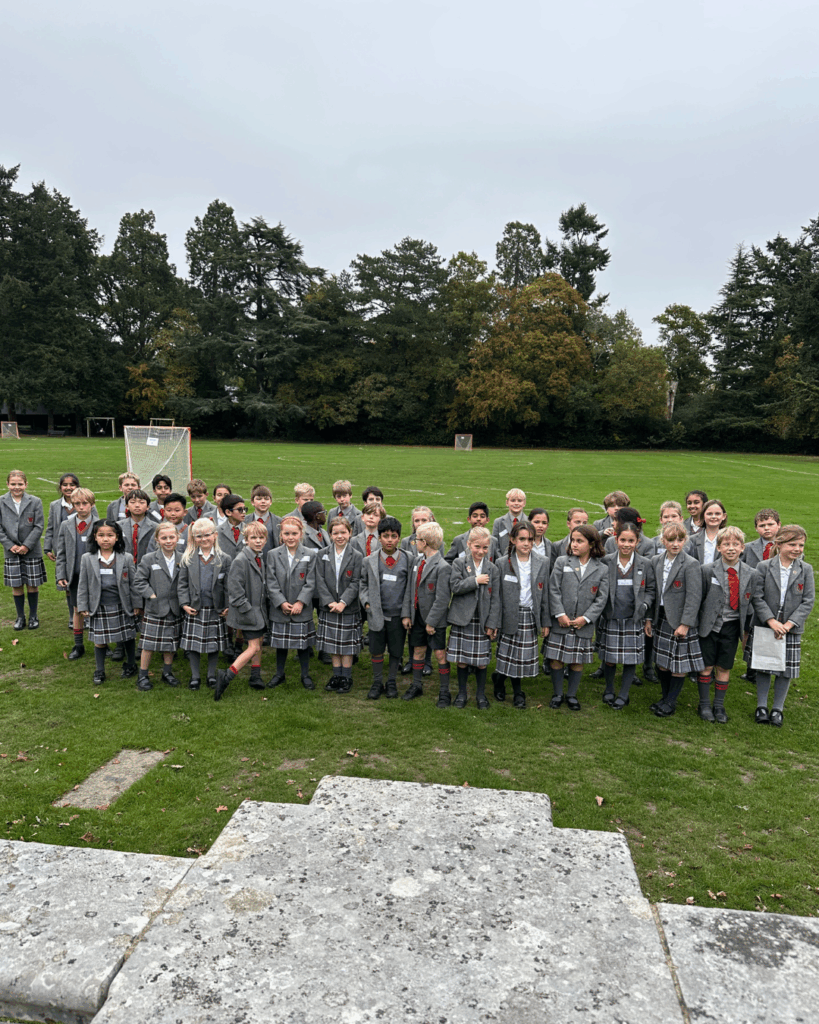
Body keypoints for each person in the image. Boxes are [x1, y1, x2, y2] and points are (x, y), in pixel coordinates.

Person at [748, 524, 815, 727]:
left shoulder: (806, 569)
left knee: (786, 670)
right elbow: (757, 597)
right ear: (779, 544)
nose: (797, 549)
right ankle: (761, 706)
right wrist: (771, 621)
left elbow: (808, 601)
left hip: (790, 629)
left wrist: (788, 625)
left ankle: (777, 708)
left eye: (801, 545)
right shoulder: (764, 567)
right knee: (764, 666)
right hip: (766, 625)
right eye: (792, 544)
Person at [696, 526, 763, 724]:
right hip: (709, 626)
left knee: (724, 667)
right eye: (726, 544)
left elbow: (753, 602)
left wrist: (752, 628)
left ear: (742, 548)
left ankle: (719, 705)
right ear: (718, 547)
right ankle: (704, 704)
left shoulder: (751, 573)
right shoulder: (707, 570)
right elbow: (699, 599)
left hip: (732, 627)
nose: (731, 548)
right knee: (706, 666)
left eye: (735, 544)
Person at [546, 524, 609, 711]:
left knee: (577, 661)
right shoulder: (562, 562)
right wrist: (560, 614)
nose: (574, 544)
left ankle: (572, 695)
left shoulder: (601, 569)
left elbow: (601, 598)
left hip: (583, 625)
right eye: (573, 540)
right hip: (561, 622)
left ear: (592, 544)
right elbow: (553, 589)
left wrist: (587, 618)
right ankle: (558, 694)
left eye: (579, 541)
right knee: (556, 659)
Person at [646, 522, 705, 718]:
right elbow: (652, 591)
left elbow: (694, 596)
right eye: (671, 540)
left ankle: (670, 702)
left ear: (685, 541)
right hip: (661, 617)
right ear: (663, 541)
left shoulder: (690, 563)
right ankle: (664, 698)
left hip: (680, 620)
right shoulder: (655, 560)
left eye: (680, 540)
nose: (675, 544)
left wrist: (685, 624)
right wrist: (649, 619)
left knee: (678, 664)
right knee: (662, 662)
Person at [492, 522, 550, 710]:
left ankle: (509, 686)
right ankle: (508, 686)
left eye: (530, 539)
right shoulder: (502, 563)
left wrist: (545, 621)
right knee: (508, 655)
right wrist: (495, 622)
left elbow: (545, 594)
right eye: (522, 539)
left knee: (520, 657)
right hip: (509, 615)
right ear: (513, 540)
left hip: (529, 615)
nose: (526, 543)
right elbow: (497, 596)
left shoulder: (543, 562)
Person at [598, 522, 655, 709]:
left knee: (631, 659)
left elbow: (651, 589)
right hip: (611, 617)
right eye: (623, 540)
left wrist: (644, 606)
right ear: (616, 540)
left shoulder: (645, 564)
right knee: (609, 657)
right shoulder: (606, 561)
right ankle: (609, 689)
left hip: (633, 619)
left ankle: (623, 694)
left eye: (631, 541)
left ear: (637, 542)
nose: (626, 544)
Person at [76, 520, 137, 684]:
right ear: (95, 537)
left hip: (122, 606)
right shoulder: (87, 559)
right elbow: (82, 584)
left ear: (117, 537)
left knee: (128, 636)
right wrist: (82, 605)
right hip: (99, 606)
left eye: (110, 535)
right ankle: (99, 670)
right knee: (100, 640)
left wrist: (137, 604)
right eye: (101, 535)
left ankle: (131, 664)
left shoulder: (126, 558)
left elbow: (134, 584)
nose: (105, 539)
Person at [446, 526, 501, 709]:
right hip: (463, 619)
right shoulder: (459, 563)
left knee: (482, 662)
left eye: (485, 547)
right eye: (477, 546)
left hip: (482, 621)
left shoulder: (492, 569)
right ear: (469, 545)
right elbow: (455, 586)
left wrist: (492, 623)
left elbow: (496, 599)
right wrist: (475, 581)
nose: (481, 551)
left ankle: (481, 695)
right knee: (462, 660)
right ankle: (462, 694)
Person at [215, 522, 270, 700]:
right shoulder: (241, 560)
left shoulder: (258, 557)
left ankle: (255, 675)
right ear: (246, 540)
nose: (258, 541)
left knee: (258, 643)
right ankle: (227, 675)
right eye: (253, 538)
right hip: (249, 612)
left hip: (258, 611)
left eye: (261, 538)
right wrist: (248, 610)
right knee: (254, 647)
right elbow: (235, 591)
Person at [399, 521, 452, 704]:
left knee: (439, 654)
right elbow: (410, 589)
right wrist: (407, 614)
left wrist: (431, 622)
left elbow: (442, 598)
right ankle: (416, 685)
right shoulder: (417, 561)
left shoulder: (442, 567)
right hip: (417, 616)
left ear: (425, 542)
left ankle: (444, 691)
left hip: (434, 620)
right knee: (418, 650)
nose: (415, 543)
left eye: (417, 540)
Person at [178, 519, 232, 691]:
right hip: (195, 609)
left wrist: (227, 605)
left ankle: (211, 675)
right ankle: (195, 676)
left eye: (207, 535)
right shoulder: (188, 558)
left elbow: (228, 585)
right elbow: (182, 584)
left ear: (215, 535)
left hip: (216, 609)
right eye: (199, 536)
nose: (203, 539)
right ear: (194, 538)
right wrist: (184, 604)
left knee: (213, 644)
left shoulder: (224, 559)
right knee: (193, 645)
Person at [265, 515, 317, 691]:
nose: (290, 537)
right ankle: (279, 673)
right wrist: (281, 602)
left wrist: (300, 602)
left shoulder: (310, 554)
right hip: (281, 609)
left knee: (303, 645)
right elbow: (270, 581)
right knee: (281, 645)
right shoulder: (273, 554)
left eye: (294, 533)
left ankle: (305, 675)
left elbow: (311, 582)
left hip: (301, 609)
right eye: (286, 533)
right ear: (281, 535)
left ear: (301, 533)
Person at [361, 516, 411, 700]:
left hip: (398, 615)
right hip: (377, 613)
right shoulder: (369, 560)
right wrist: (367, 602)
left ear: (399, 538)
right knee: (376, 649)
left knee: (396, 650)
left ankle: (391, 681)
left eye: (393, 536)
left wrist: (407, 613)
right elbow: (363, 584)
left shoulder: (408, 559)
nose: (389, 540)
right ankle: (377, 682)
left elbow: (411, 588)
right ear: (379, 537)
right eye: (385, 536)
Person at [133, 523, 184, 692]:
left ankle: (167, 673)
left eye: (171, 537)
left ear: (177, 538)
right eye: (164, 538)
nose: (168, 541)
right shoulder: (149, 559)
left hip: (175, 608)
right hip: (155, 608)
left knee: (170, 643)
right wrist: (151, 595)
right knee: (148, 644)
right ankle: (143, 675)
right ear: (157, 540)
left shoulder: (183, 558)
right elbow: (139, 581)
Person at [315, 516, 363, 694]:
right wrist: (330, 602)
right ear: (330, 534)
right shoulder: (322, 554)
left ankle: (346, 677)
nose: (339, 536)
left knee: (346, 645)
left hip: (348, 608)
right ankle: (336, 675)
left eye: (343, 532)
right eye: (335, 533)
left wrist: (343, 602)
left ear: (350, 533)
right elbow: (319, 580)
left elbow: (356, 582)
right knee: (332, 644)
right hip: (329, 607)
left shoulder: (357, 556)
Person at [56, 487, 99, 661]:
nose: (81, 507)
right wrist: (61, 575)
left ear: (92, 504)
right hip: (75, 576)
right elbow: (61, 552)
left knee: (98, 609)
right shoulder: (66, 525)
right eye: (77, 504)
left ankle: (101, 644)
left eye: (85, 503)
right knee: (77, 610)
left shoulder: (100, 525)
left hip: (95, 576)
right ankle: (78, 645)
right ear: (73, 505)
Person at [0, 470, 46, 630]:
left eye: (20, 484)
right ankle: (20, 617)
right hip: (11, 551)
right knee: (17, 585)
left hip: (31, 550)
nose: (16, 487)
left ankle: (33, 616)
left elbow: (39, 525)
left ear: (26, 484)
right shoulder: (1, 502)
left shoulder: (35, 501)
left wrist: (27, 545)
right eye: (13, 484)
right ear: (7, 484)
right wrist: (10, 545)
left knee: (32, 584)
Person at [45, 473, 82, 627]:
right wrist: (47, 547)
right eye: (65, 485)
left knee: (83, 584)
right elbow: (50, 527)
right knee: (67, 585)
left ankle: (85, 616)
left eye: (72, 485)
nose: (68, 488)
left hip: (81, 551)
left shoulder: (85, 503)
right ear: (60, 487)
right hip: (63, 552)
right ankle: (73, 616)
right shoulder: (55, 505)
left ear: (77, 487)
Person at [686, 499, 727, 564]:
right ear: (703, 516)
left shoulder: (729, 539)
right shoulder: (692, 540)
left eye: (717, 514)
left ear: (724, 516)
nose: (713, 516)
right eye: (709, 514)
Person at [245, 484, 280, 555]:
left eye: (266, 499)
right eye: (259, 499)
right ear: (252, 502)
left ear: (270, 502)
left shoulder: (279, 522)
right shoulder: (244, 521)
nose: (263, 501)